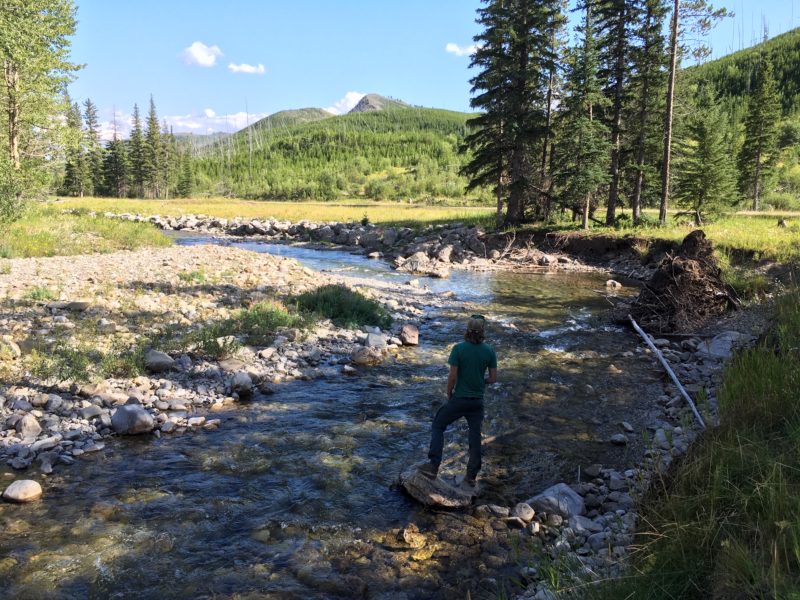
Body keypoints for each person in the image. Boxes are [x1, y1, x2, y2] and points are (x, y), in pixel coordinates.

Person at [418, 314, 497, 487]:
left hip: (459, 399)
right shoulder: (489, 351)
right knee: (475, 437)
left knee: (438, 425)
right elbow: (493, 379)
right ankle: (471, 476)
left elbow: (452, 376)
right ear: (483, 331)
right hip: (477, 403)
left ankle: (433, 466)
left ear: (467, 330)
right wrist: (479, 380)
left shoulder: (458, 348)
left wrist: (449, 392)